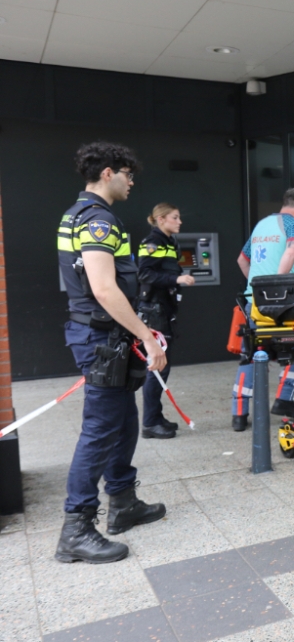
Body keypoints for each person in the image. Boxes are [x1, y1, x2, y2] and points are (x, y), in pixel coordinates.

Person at [55, 141, 168, 564]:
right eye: (128, 173)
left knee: (124, 420)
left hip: (105, 337)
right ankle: (77, 528)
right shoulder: (98, 220)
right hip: (101, 338)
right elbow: (104, 288)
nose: (132, 180)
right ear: (108, 172)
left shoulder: (77, 214)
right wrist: (148, 336)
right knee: (101, 428)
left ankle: (123, 502)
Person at [232, 188, 294, 431]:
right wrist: (275, 286)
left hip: (252, 302)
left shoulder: (261, 225)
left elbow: (242, 260)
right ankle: (283, 399)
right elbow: (291, 249)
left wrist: (256, 289)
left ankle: (238, 415)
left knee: (252, 351)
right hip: (282, 303)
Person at [137, 204, 196, 439]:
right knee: (158, 367)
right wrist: (177, 278)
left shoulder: (170, 242)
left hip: (165, 309)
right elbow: (145, 274)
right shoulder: (152, 242)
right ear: (161, 219)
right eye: (175, 217)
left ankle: (156, 416)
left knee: (164, 366)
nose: (179, 221)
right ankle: (150, 423)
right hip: (155, 312)